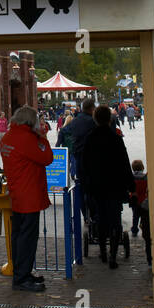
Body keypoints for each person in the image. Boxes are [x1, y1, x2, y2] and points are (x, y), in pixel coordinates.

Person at [0, 105, 53, 293]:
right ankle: (22, 278)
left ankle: (21, 272)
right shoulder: (27, 139)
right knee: (28, 238)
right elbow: (47, 157)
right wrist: (42, 136)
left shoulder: (8, 137)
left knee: (19, 236)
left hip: (17, 193)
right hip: (30, 195)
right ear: (30, 122)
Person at [81, 105, 134, 269]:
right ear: (110, 119)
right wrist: (131, 185)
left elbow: (84, 165)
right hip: (115, 186)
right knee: (115, 221)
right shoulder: (116, 138)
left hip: (97, 187)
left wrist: (85, 184)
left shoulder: (90, 139)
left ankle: (103, 251)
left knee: (101, 218)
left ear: (95, 119)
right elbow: (124, 163)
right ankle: (113, 256)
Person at [57, 97, 97, 229]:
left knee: (81, 188)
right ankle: (95, 216)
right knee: (93, 190)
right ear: (92, 109)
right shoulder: (93, 122)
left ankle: (85, 215)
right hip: (93, 160)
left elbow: (66, 133)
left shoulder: (74, 122)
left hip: (79, 159)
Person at [128, 159, 149, 237]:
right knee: (144, 215)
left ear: (133, 168)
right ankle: (144, 227)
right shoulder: (145, 177)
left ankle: (134, 229)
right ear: (142, 167)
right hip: (144, 200)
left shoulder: (131, 177)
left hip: (134, 200)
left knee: (135, 216)